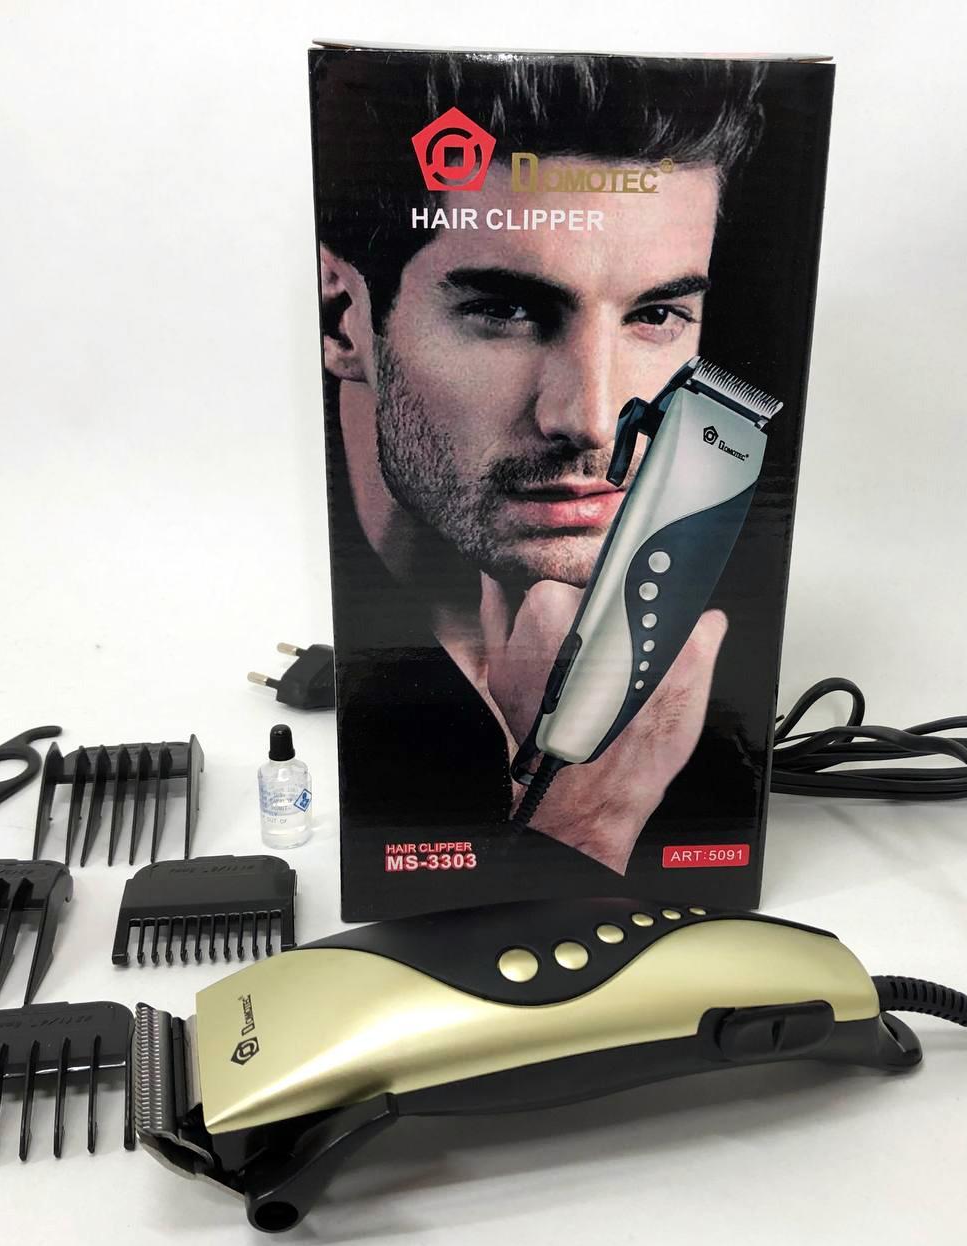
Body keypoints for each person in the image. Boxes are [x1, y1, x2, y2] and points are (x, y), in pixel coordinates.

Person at [315, 54, 768, 879]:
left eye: (656, 314)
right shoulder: (368, 757)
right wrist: (586, 818)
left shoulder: (715, 719)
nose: (590, 419)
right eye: (506, 310)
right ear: (346, 317)